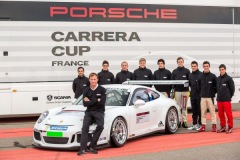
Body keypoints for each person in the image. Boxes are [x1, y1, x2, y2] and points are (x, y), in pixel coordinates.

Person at [78, 73, 106, 156]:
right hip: (89, 112)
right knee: (84, 127)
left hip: (99, 111)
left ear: (97, 79)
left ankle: (92, 146)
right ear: (89, 80)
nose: (93, 81)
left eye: (94, 79)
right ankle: (83, 149)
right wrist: (96, 100)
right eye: (91, 79)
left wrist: (90, 101)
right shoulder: (86, 90)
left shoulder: (102, 90)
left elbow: (102, 103)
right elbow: (84, 104)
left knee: (100, 126)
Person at [198, 61, 217, 132]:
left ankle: (214, 125)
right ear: (203, 67)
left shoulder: (213, 76)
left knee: (212, 111)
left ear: (209, 67)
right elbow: (198, 87)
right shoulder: (200, 76)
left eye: (207, 66)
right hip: (203, 97)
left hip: (210, 97)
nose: (206, 67)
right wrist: (202, 93)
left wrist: (212, 93)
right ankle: (203, 126)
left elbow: (216, 86)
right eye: (205, 66)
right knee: (203, 112)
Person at [171, 57, 190, 128]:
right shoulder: (174, 71)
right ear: (177, 63)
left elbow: (189, 81)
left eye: (181, 61)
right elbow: (172, 82)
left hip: (185, 92)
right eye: (179, 62)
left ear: (183, 62)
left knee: (184, 107)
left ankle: (184, 122)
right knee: (178, 106)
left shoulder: (187, 71)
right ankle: (178, 121)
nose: (180, 63)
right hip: (177, 92)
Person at [216, 64, 235, 134]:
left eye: (223, 69)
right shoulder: (218, 78)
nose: (221, 71)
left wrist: (229, 96)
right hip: (219, 100)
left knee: (228, 114)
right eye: (220, 70)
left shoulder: (229, 78)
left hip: (226, 99)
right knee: (220, 114)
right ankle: (223, 127)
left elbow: (232, 89)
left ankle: (230, 127)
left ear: (225, 69)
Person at [188, 61, 202, 130]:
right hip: (192, 95)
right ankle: (194, 124)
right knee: (194, 111)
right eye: (192, 66)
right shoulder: (190, 75)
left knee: (199, 110)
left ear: (197, 66)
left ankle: (200, 124)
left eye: (195, 66)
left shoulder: (201, 74)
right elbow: (190, 84)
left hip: (199, 95)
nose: (193, 67)